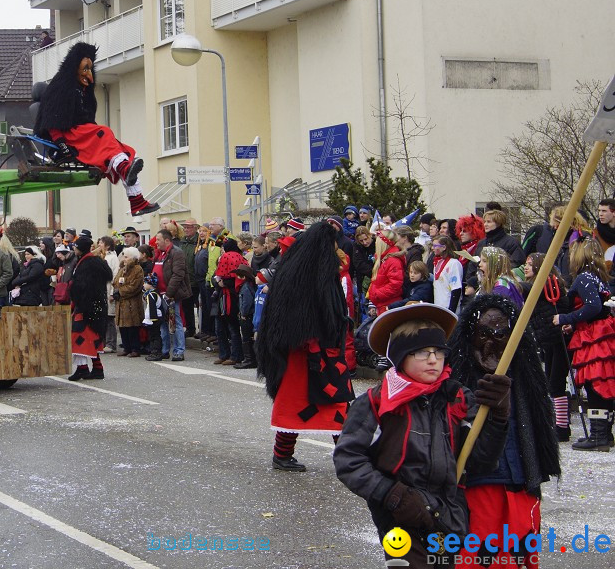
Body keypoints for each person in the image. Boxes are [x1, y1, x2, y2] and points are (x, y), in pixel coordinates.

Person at [334, 304, 511, 568]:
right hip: (398, 517)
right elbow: (348, 460)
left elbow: (482, 460)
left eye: (439, 352)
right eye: (421, 352)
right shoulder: (377, 402)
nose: (433, 360)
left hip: (447, 516)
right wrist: (392, 495)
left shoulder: (458, 398)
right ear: (401, 357)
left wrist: (499, 417)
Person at [449, 295, 561, 568]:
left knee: (517, 557)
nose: (491, 343)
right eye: (484, 334)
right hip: (477, 488)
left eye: (500, 335)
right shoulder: (455, 380)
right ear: (470, 335)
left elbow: (538, 430)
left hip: (520, 483)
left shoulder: (526, 377)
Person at [255, 222, 354, 472]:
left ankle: (347, 457)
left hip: (318, 351)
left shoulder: (307, 271)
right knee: (300, 403)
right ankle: (285, 454)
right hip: (304, 353)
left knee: (333, 403)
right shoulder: (307, 275)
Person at [33, 42, 158, 216]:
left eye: (90, 69)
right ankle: (123, 168)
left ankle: (136, 200)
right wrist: (62, 145)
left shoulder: (82, 91)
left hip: (84, 133)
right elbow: (52, 122)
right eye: (85, 69)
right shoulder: (61, 87)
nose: (88, 75)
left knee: (125, 151)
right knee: (105, 134)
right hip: (70, 136)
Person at [554, 237, 615, 450]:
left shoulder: (583, 278)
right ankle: (604, 434)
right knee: (604, 382)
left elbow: (593, 307)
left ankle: (598, 437)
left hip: (594, 337)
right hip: (600, 332)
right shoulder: (599, 276)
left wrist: (565, 319)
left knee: (595, 382)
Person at [522, 252, 574, 442]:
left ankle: (561, 427)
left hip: (560, 339)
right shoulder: (542, 283)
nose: (525, 267)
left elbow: (530, 289)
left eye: (529, 264)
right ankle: (559, 423)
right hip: (549, 340)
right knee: (552, 382)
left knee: (556, 382)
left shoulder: (549, 283)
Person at [67, 235, 113, 380]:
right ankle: (98, 369)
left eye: (75, 246)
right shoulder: (94, 261)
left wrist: (71, 288)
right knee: (93, 338)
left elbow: (81, 286)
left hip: (86, 305)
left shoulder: (86, 264)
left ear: (80, 249)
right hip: (97, 305)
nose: (74, 248)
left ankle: (82, 368)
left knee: (79, 337)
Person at [156, 229, 191, 362]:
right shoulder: (160, 253)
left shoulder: (177, 253)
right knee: (163, 323)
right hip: (160, 294)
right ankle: (165, 350)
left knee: (174, 322)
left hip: (171, 295)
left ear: (166, 240)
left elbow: (178, 275)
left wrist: (169, 294)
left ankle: (179, 350)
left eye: (158, 240)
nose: (156, 242)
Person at [212, 238, 248, 366]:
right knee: (223, 328)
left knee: (230, 327)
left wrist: (221, 283)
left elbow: (223, 277)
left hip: (229, 297)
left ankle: (234, 355)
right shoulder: (241, 258)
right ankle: (226, 354)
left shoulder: (227, 257)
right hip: (227, 296)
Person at [114, 247, 146, 357]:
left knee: (132, 327)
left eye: (126, 257)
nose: (124, 259)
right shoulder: (122, 268)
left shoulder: (137, 269)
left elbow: (135, 286)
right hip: (121, 302)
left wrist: (121, 291)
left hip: (132, 303)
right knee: (122, 327)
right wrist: (116, 290)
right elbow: (115, 281)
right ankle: (126, 348)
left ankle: (135, 348)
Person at [97, 236, 120, 352]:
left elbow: (115, 275)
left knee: (110, 318)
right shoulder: (102, 256)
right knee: (103, 317)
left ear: (108, 245)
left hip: (108, 289)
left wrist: (112, 293)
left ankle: (111, 344)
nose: (99, 245)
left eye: (101, 243)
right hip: (101, 290)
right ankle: (104, 342)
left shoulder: (112, 258)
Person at [430, 234, 463, 312]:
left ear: (444, 247)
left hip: (449, 307)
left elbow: (456, 288)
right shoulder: (437, 263)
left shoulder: (453, 263)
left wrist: (452, 310)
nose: (432, 248)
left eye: (435, 246)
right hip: (439, 306)